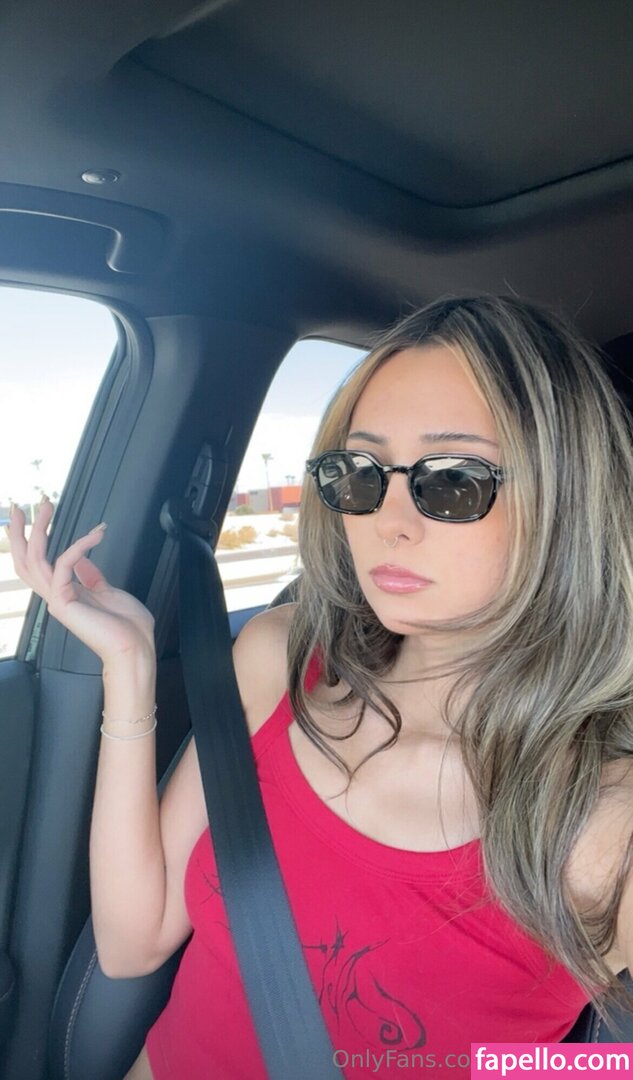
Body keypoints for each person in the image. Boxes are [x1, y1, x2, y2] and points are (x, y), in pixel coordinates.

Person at [7, 294, 633, 1079]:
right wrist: (129, 671)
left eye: (452, 480)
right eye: (358, 473)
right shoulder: (278, 663)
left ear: (566, 498)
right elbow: (133, 942)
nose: (387, 521)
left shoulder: (606, 815)